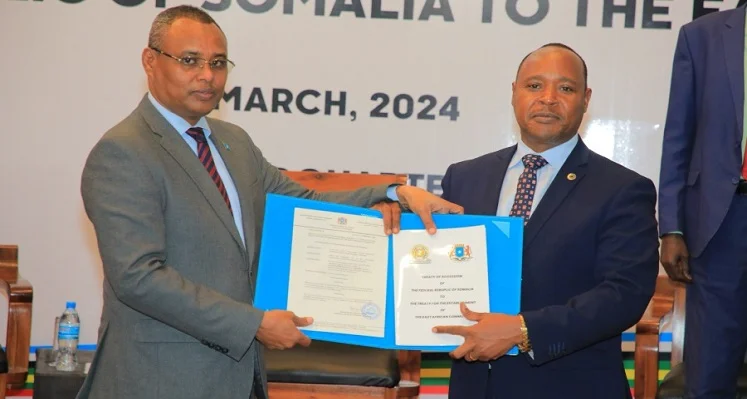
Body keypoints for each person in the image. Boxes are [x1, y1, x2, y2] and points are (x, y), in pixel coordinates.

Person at [77, 5, 462, 399]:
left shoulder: (234, 143)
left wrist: (395, 193)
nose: (207, 75)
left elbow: (307, 205)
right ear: (150, 61)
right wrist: (254, 323)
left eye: (218, 63)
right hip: (159, 378)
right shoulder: (124, 151)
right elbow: (138, 277)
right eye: (189, 60)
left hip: (239, 376)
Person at [431, 43, 659, 398]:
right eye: (534, 86)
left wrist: (524, 331)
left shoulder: (623, 188)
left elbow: (624, 293)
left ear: (586, 99)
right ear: (513, 93)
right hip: (475, 386)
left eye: (565, 88)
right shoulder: (464, 177)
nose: (548, 98)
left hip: (570, 386)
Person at [658, 4, 747, 397]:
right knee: (710, 372)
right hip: (722, 221)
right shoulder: (703, 35)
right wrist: (672, 227)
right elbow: (678, 135)